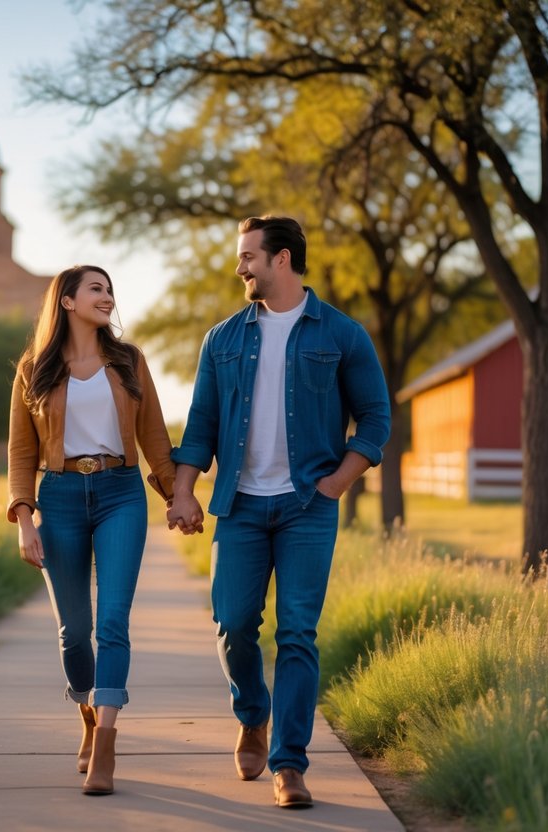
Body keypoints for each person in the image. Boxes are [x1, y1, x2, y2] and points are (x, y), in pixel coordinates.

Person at [166, 216, 391, 809]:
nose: (240, 267)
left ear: (282, 259)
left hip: (306, 509)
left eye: (248, 257)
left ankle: (289, 765)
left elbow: (376, 419)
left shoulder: (341, 335)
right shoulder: (223, 339)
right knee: (233, 624)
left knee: (297, 633)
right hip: (239, 505)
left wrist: (338, 483)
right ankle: (252, 715)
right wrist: (184, 490)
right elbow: (202, 425)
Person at [7, 264, 196, 796]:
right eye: (97, 289)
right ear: (66, 301)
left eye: (111, 289)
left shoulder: (129, 360)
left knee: (113, 621)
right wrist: (24, 519)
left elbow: (155, 434)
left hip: (121, 492)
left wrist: (176, 495)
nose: (108, 297)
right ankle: (88, 719)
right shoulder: (34, 369)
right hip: (60, 498)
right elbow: (21, 450)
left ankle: (107, 747)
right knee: (73, 632)